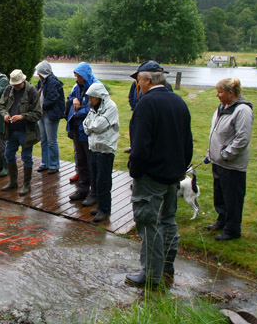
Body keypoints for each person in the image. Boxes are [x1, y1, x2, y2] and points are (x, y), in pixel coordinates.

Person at [125, 61, 193, 288]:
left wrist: (135, 171)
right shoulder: (178, 101)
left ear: (147, 80)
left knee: (148, 223)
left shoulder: (146, 104)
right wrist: (180, 169)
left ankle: (151, 274)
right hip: (173, 175)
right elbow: (187, 142)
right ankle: (166, 265)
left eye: (138, 81)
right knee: (168, 220)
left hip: (151, 176)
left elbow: (140, 145)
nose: (137, 85)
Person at [206, 78, 254, 241]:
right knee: (220, 194)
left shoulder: (242, 111)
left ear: (231, 92)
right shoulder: (222, 107)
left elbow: (242, 138)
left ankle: (233, 230)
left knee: (233, 197)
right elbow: (216, 133)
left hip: (231, 164)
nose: (217, 95)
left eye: (220, 92)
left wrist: (226, 154)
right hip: (218, 161)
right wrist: (211, 153)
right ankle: (222, 220)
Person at [0, 69, 42, 196]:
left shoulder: (32, 92)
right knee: (8, 154)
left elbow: (38, 113)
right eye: (13, 84)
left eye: (17, 84)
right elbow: (1, 106)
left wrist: (23, 116)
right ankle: (13, 182)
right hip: (11, 130)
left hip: (26, 132)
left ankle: (26, 185)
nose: (15, 86)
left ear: (23, 81)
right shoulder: (8, 89)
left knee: (26, 157)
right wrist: (5, 115)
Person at [83, 82, 119, 222]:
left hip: (105, 150)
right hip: (93, 147)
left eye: (93, 97)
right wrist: (91, 126)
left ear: (100, 96)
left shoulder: (111, 107)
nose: (91, 100)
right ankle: (99, 205)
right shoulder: (93, 108)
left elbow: (99, 125)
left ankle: (105, 209)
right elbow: (86, 125)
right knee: (95, 179)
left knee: (103, 180)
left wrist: (91, 126)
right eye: (90, 97)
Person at [66, 62, 100, 204]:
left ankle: (94, 193)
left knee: (91, 162)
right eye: (76, 76)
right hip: (77, 129)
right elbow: (70, 99)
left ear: (85, 75)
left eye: (79, 76)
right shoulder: (77, 86)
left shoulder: (96, 87)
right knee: (81, 161)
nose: (77, 78)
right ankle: (82, 189)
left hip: (89, 131)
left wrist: (77, 114)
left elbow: (94, 108)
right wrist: (73, 99)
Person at [35, 60, 65, 175]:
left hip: (50, 115)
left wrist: (40, 106)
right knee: (43, 140)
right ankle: (44, 163)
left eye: (39, 72)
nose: (38, 74)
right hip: (42, 115)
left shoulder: (52, 81)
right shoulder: (42, 81)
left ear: (43, 72)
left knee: (52, 141)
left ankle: (54, 165)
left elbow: (52, 99)